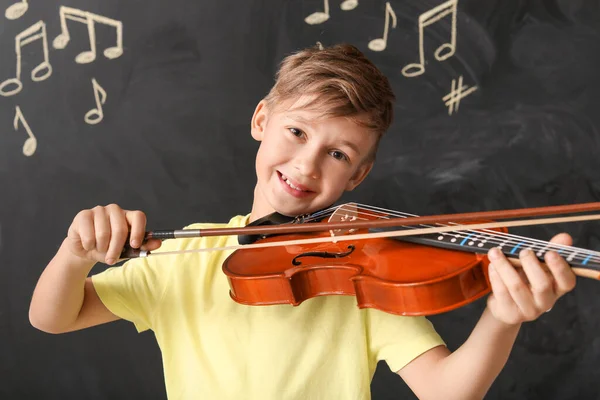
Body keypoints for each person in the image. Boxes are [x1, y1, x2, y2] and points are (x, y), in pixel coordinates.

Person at [29, 44, 576, 400]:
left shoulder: (363, 276)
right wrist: (75, 252)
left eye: (338, 155)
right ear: (261, 119)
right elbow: (53, 317)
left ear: (358, 177)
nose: (307, 165)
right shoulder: (182, 256)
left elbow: (447, 392)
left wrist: (503, 318)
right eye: (296, 132)